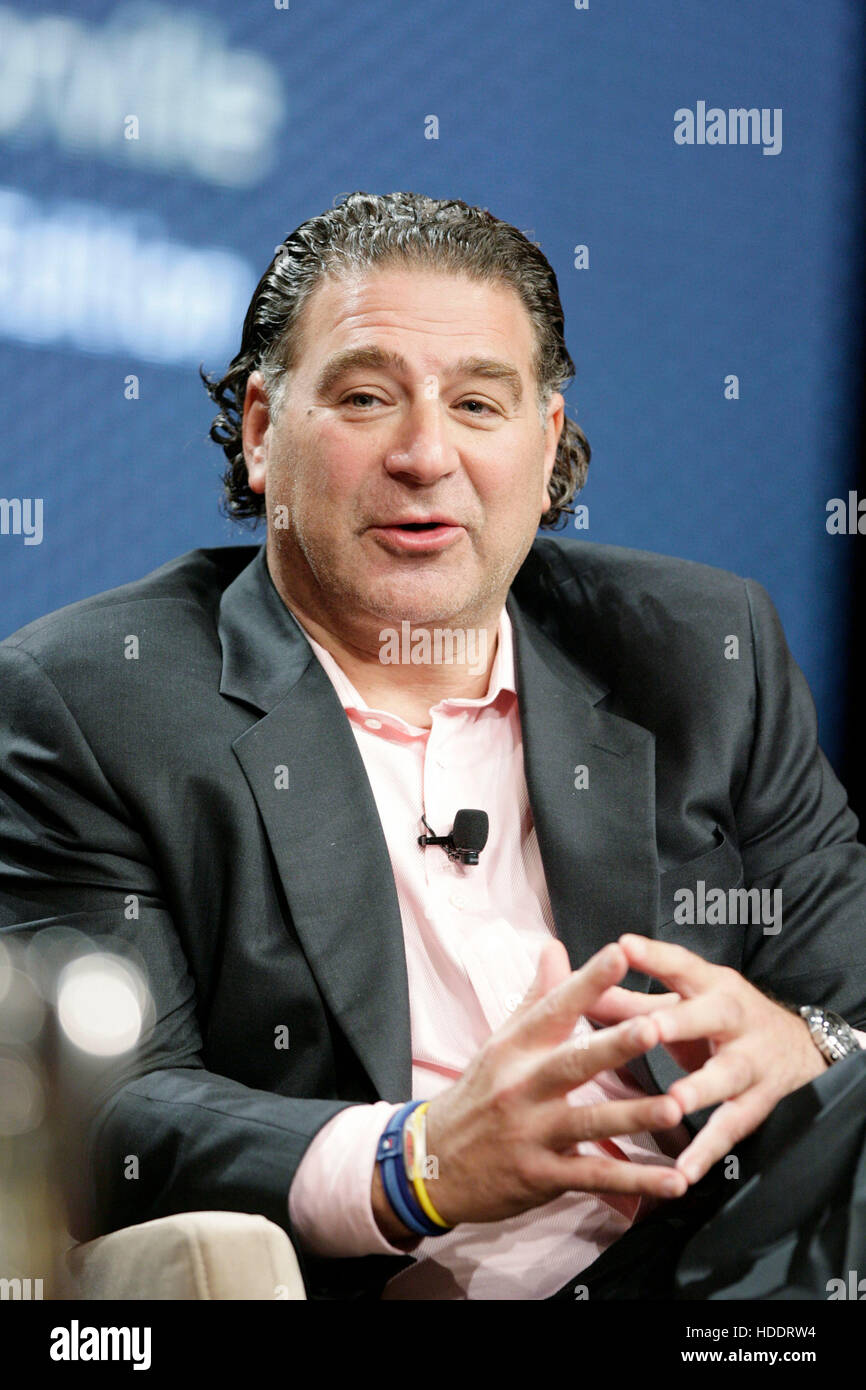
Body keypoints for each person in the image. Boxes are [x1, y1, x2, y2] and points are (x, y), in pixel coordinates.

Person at [2, 190, 865, 1301]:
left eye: (476, 404)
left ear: (546, 447)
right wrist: (421, 1162)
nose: (424, 453)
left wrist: (801, 1043)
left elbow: (844, 1001)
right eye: (366, 397)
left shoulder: (703, 655)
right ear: (262, 430)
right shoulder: (92, 698)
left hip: (723, 1273)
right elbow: (112, 1103)